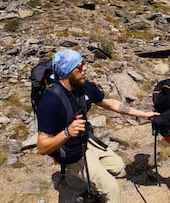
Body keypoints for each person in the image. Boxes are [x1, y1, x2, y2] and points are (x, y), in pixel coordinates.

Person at [36, 49, 158, 203]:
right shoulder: (50, 101)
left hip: (86, 141)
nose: (85, 68)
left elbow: (109, 103)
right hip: (70, 151)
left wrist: (142, 114)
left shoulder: (84, 86)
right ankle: (99, 185)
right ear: (67, 72)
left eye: (84, 64)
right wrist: (67, 133)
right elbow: (41, 147)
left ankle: (94, 180)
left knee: (119, 168)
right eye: (79, 67)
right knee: (111, 188)